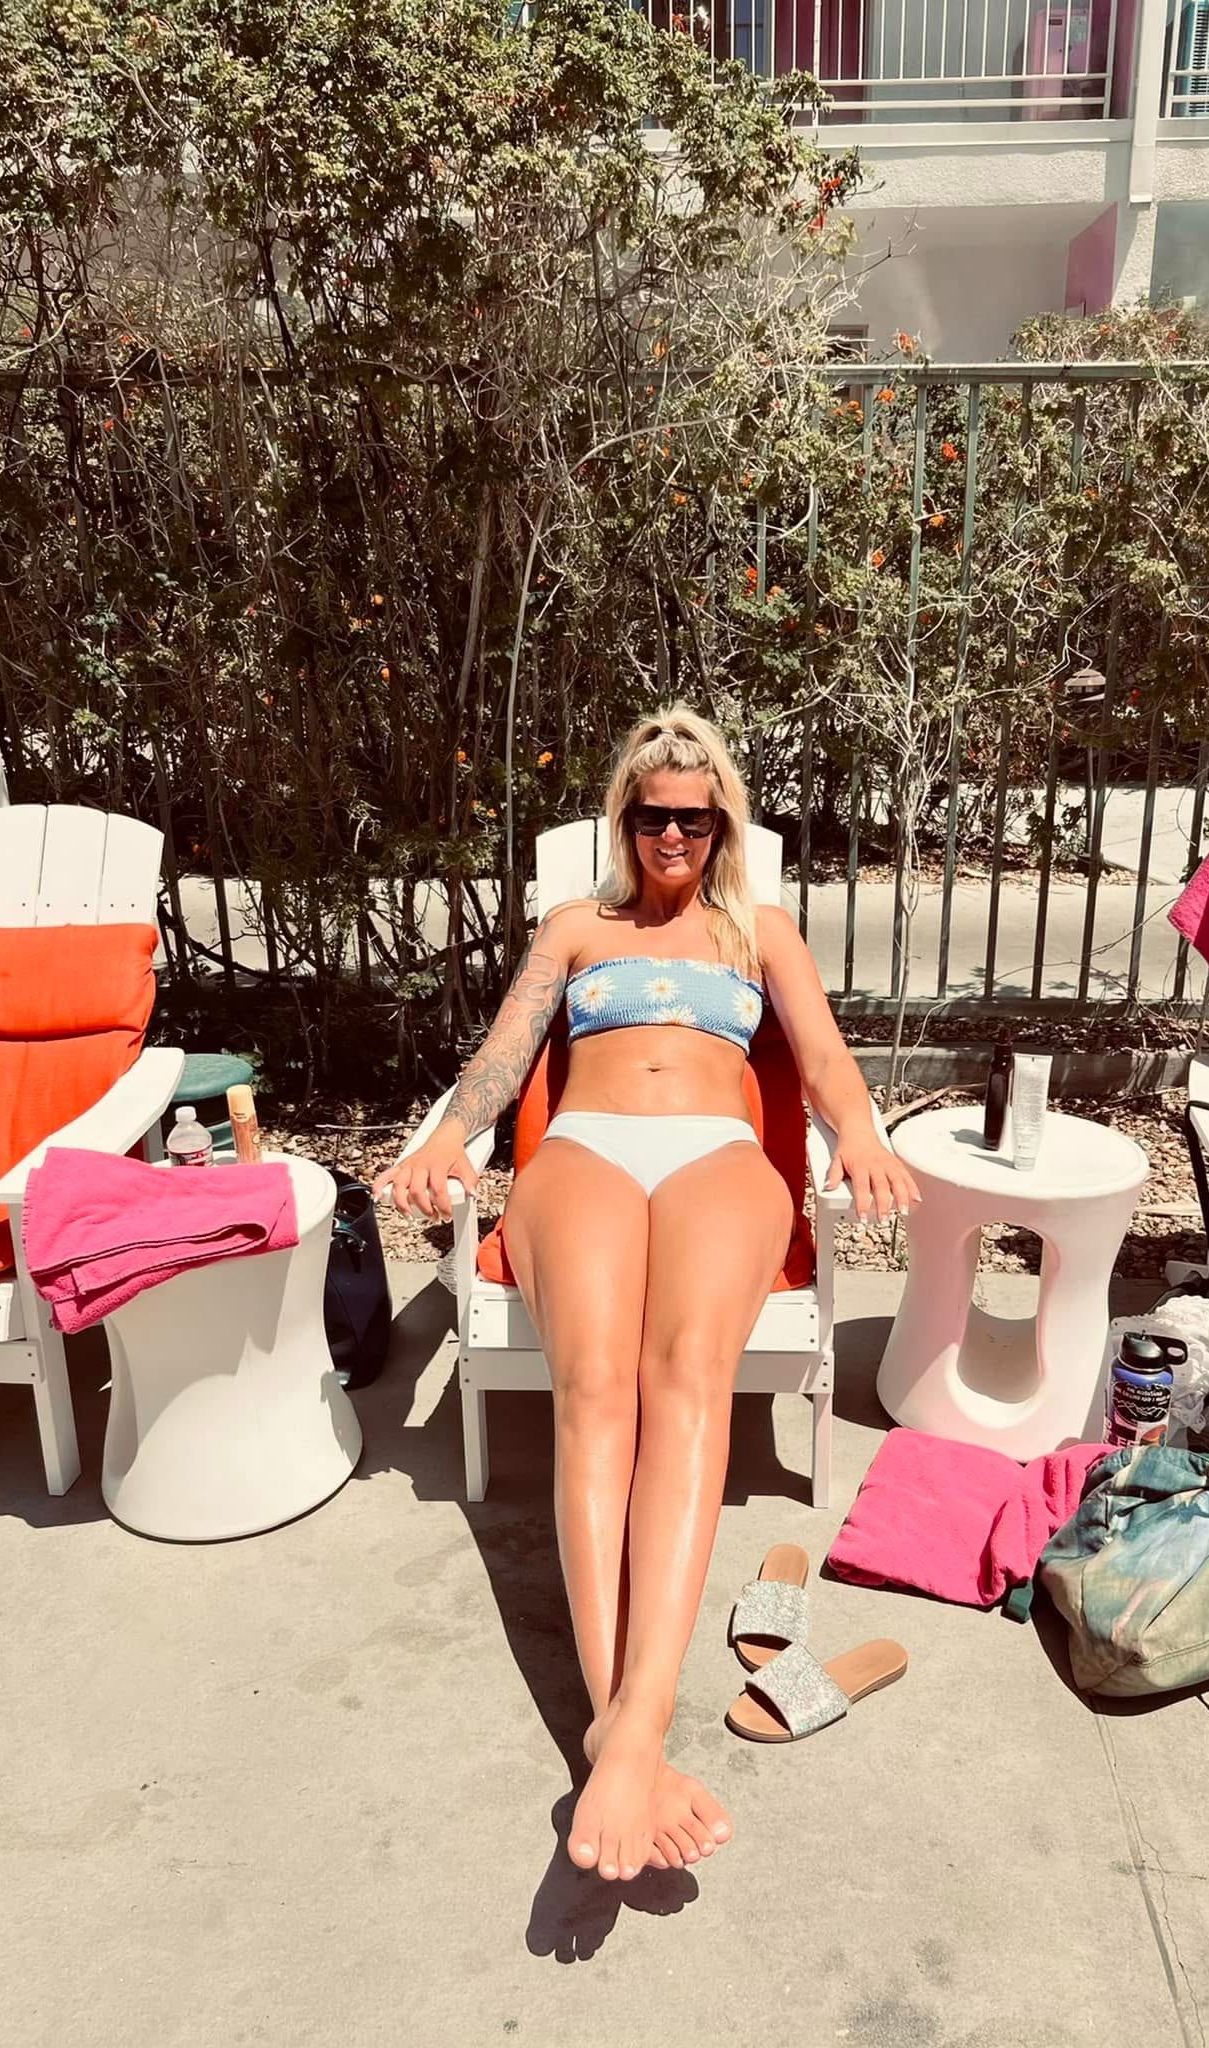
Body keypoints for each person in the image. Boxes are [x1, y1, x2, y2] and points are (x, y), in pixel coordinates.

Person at [375, 704, 918, 1883]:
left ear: (723, 824)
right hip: (586, 1149)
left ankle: (624, 1731)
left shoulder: (762, 930)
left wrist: (864, 1133)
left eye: (695, 816)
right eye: (652, 814)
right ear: (625, 819)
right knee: (594, 1388)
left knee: (686, 1380)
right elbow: (505, 1054)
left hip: (719, 1155)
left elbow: (824, 1058)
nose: (673, 834)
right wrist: (452, 1135)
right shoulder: (576, 927)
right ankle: (627, 1734)